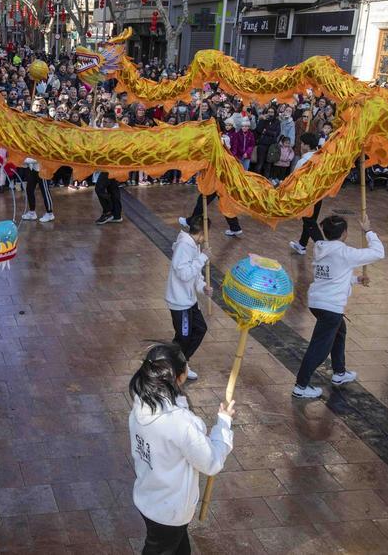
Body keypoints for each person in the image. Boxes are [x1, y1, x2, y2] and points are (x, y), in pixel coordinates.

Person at [129, 343, 234, 555]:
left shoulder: (140, 405)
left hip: (149, 497)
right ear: (179, 377)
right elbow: (211, 462)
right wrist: (223, 424)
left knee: (177, 548)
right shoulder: (181, 423)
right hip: (170, 511)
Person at [292, 215, 384, 398]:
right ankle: (300, 386)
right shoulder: (345, 253)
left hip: (318, 302)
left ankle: (339, 373)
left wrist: (356, 279)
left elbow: (333, 276)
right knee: (319, 347)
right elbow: (378, 253)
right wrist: (368, 231)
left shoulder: (321, 249)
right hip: (331, 306)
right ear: (345, 233)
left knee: (339, 331)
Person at [165, 223, 211, 381]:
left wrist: (203, 287)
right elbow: (184, 274)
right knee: (183, 337)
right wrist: (203, 258)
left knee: (200, 329)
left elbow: (195, 275)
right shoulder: (184, 247)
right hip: (180, 303)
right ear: (202, 233)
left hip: (190, 301)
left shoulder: (194, 246)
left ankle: (180, 363)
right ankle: (175, 366)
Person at [289, 133, 322, 255]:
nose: (301, 146)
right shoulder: (322, 158)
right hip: (319, 194)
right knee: (310, 220)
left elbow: (294, 179)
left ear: (307, 145)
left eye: (302, 143)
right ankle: (302, 244)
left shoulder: (303, 162)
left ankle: (323, 247)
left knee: (309, 222)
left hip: (306, 196)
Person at [20, 158, 55, 223]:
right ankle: (32, 212)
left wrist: (25, 160)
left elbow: (39, 156)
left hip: (43, 169)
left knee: (45, 191)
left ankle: (50, 214)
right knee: (29, 190)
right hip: (32, 169)